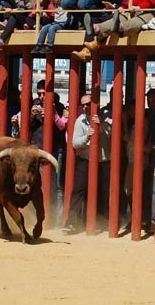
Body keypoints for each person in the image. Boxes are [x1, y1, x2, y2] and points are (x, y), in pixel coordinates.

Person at [63, 94, 97, 233]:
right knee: (78, 190)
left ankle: (98, 221)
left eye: (88, 104)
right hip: (85, 159)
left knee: (101, 192)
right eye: (82, 105)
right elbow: (75, 143)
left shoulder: (104, 117)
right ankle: (71, 222)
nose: (85, 107)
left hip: (103, 160)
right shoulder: (80, 120)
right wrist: (86, 137)